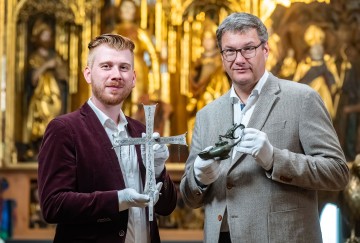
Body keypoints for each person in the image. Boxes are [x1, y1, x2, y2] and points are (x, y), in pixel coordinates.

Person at [179, 12, 349, 243]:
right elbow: (190, 198)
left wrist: (274, 159)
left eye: (248, 48)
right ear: (221, 56)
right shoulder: (207, 114)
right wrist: (198, 178)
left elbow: (337, 173)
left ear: (266, 50)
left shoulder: (302, 99)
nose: (238, 59)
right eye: (230, 51)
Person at [37, 33, 177, 243]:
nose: (116, 75)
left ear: (133, 78)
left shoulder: (141, 130)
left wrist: (158, 171)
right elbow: (53, 205)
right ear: (88, 74)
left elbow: (166, 207)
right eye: (106, 66)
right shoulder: (64, 129)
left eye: (123, 67)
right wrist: (118, 200)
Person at [22, 19, 68, 161]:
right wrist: (47, 65)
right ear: (38, 37)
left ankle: (53, 152)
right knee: (40, 124)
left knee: (55, 123)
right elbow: (33, 79)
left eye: (49, 35)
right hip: (40, 97)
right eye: (44, 35)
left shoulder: (55, 56)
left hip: (55, 97)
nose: (47, 38)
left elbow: (64, 78)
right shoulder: (34, 57)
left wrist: (59, 68)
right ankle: (38, 151)